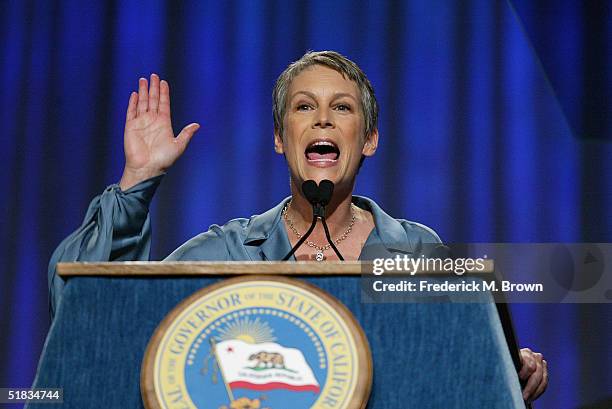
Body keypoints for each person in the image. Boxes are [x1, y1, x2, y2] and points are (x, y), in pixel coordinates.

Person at [48, 51, 548, 402]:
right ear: (280, 140)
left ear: (368, 139)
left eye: (343, 108)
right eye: (304, 107)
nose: (323, 120)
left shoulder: (418, 251)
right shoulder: (230, 252)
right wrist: (139, 179)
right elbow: (89, 315)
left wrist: (507, 365)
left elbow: (456, 370)